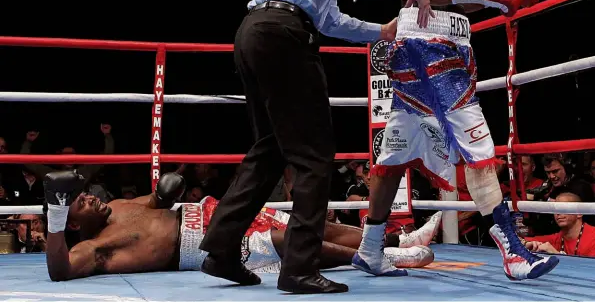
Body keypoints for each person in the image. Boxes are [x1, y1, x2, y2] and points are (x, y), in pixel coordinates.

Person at [198, 0, 433, 294]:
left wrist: (378, 33)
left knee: (270, 149)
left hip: (255, 32)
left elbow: (326, 18)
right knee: (313, 156)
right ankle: (298, 269)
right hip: (283, 38)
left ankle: (222, 250)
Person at [352, 0, 558, 281]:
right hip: (430, 49)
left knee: (396, 154)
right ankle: (514, 253)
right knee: (477, 144)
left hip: (434, 42)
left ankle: (371, 250)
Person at [41, 170, 435, 282]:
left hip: (212, 216)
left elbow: (158, 201)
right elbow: (60, 271)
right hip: (199, 248)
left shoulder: (117, 205)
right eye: (79, 202)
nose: (90, 196)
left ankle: (396, 236)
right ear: (73, 222)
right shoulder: (92, 248)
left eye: (84, 194)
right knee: (288, 241)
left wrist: (164, 193)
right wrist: (54, 219)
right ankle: (383, 256)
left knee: (307, 225)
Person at [523, 193, 595, 257]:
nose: (558, 213)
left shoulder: (593, 237)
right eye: (556, 209)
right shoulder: (557, 238)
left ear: (579, 213)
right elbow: (518, 240)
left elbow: (590, 269)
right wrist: (526, 244)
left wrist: (556, 255)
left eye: (563, 208)